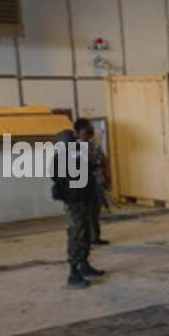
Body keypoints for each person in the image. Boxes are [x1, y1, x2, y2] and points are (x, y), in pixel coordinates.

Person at [51, 120, 104, 289]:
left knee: (86, 232)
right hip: (74, 203)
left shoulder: (75, 155)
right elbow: (66, 181)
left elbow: (89, 169)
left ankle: (84, 264)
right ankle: (74, 273)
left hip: (85, 199)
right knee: (76, 235)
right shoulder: (60, 161)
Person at [86, 132, 111, 247]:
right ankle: (90, 237)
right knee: (89, 212)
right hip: (87, 185)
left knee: (95, 211)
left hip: (97, 183)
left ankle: (95, 237)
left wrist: (106, 179)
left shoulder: (96, 148)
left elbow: (104, 163)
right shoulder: (78, 149)